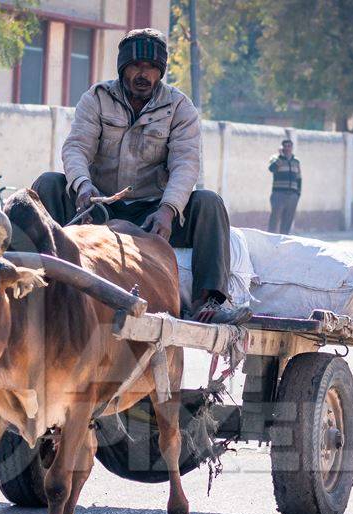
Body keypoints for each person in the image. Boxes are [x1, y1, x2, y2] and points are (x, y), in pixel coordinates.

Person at [32, 28, 248, 325]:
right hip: (97, 207)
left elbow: (186, 164)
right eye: (135, 66)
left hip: (152, 215)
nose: (142, 74)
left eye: (150, 67)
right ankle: (35, 281)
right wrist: (83, 189)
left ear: (160, 72)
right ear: (123, 69)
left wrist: (168, 211)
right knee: (48, 184)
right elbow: (76, 148)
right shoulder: (96, 98)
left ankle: (207, 301)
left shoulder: (179, 107)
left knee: (209, 203)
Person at [268, 139, 301, 234]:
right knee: (274, 219)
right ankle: (270, 241)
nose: (287, 148)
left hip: (292, 196)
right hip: (278, 194)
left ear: (292, 147)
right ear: (281, 147)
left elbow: (299, 179)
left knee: (288, 220)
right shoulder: (275, 158)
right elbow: (272, 169)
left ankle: (284, 242)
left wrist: (298, 194)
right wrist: (281, 157)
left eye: (289, 146)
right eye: (285, 146)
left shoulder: (296, 161)